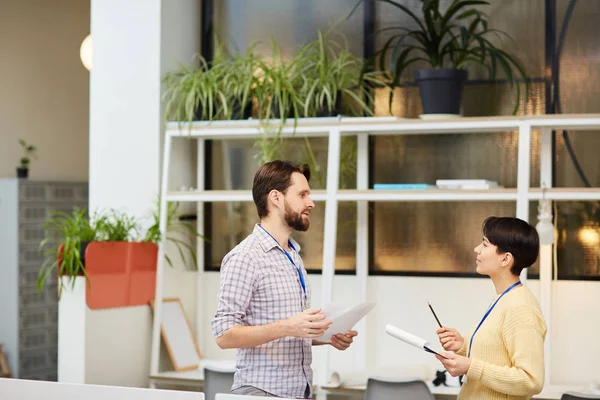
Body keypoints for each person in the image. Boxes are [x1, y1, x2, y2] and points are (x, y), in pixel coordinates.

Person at [211, 160, 358, 399]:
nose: (310, 203)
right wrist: (287, 326)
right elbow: (224, 335)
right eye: (302, 194)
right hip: (262, 392)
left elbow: (289, 333)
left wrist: (325, 337)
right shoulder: (245, 257)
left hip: (299, 392)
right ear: (276, 198)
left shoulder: (292, 256)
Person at [435, 216, 547, 400]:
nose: (476, 249)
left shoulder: (521, 307)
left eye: (485, 244)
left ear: (505, 259)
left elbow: (531, 380)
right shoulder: (503, 299)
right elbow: (497, 356)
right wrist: (463, 346)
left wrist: (471, 367)